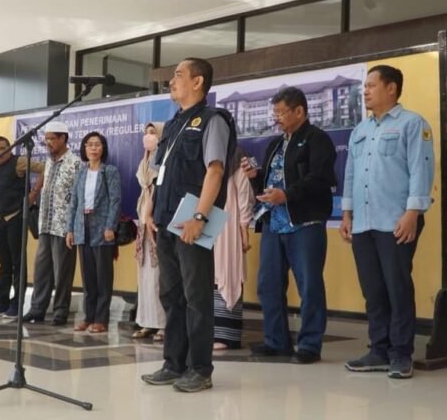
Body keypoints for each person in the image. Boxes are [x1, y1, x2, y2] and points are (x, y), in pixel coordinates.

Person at [141, 57, 235, 393]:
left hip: (192, 216)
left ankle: (200, 369)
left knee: (196, 296)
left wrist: (199, 217)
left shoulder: (213, 120)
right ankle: (173, 363)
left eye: (178, 75)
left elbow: (215, 171)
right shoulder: (173, 124)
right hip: (166, 217)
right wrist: (150, 207)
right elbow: (160, 173)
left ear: (198, 82)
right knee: (171, 294)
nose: (172, 81)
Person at [340, 65, 434, 379]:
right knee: (373, 290)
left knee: (397, 287)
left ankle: (401, 354)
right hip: (363, 222)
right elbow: (350, 173)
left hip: (396, 221)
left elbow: (421, 169)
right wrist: (347, 212)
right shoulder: (360, 130)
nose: (365, 91)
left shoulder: (412, 123)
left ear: (391, 88)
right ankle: (378, 350)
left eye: (371, 85)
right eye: (364, 86)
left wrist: (413, 212)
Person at [243, 86, 336, 364]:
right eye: (275, 113)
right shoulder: (275, 144)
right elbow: (270, 183)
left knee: (309, 285)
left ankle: (309, 345)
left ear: (299, 111)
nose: (277, 118)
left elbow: (320, 179)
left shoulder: (317, 139)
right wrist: (255, 177)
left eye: (281, 113)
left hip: (304, 222)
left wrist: (287, 195)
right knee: (268, 285)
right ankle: (276, 341)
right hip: (274, 223)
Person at [23, 122, 81, 325]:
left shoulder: (75, 163)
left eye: (52, 139)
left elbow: (77, 197)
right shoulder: (48, 162)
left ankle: (60, 311)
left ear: (63, 138)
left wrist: (71, 227)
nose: (48, 143)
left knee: (62, 271)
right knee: (41, 269)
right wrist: (33, 194)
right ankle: (37, 309)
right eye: (46, 139)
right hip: (45, 225)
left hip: (63, 227)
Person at [66, 131, 121, 334]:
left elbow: (115, 200)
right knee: (88, 276)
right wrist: (70, 229)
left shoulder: (110, 171)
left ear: (103, 148)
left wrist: (110, 226)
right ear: (84, 148)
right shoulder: (81, 172)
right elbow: (74, 202)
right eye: (89, 145)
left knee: (103, 276)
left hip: (102, 227)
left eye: (97, 144)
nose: (93, 148)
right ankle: (88, 317)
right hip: (83, 226)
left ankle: (101, 319)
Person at [0, 136, 44, 318]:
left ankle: (17, 304)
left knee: (18, 262)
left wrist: (34, 193)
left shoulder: (19, 162)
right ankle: (2, 302)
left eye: (2, 149)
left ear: (9, 148)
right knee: (4, 263)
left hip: (16, 217)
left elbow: (45, 168)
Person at [213, 147, 255, 350]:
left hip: (229, 225)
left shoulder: (239, 161)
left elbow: (244, 197)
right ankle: (211, 332)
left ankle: (227, 336)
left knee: (228, 272)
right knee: (210, 275)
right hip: (208, 220)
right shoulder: (207, 159)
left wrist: (244, 229)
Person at [132, 122, 166, 341]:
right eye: (146, 133)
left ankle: (163, 324)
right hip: (142, 223)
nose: (148, 136)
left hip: (156, 221)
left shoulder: (164, 161)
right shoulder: (144, 162)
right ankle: (146, 322)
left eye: (153, 133)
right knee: (144, 276)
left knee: (159, 277)